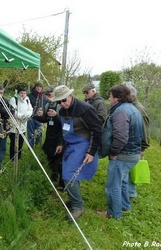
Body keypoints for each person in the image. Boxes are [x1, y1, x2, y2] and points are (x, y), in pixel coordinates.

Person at [52, 85, 102, 220]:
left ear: (70, 95)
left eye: (64, 100)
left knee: (68, 175)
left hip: (83, 144)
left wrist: (91, 152)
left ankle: (78, 207)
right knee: (69, 173)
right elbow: (64, 129)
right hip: (70, 145)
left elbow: (97, 131)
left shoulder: (85, 109)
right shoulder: (62, 110)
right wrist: (61, 143)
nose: (62, 104)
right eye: (58, 102)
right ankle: (74, 199)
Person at [97, 84, 143, 219]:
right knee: (122, 182)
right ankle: (125, 206)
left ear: (117, 98)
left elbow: (121, 137)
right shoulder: (132, 108)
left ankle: (113, 214)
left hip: (123, 155)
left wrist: (114, 152)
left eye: (110, 97)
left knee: (112, 186)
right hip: (133, 153)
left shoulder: (121, 112)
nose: (109, 99)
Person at [35, 86, 64, 188]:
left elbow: (67, 122)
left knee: (60, 160)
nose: (47, 97)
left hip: (60, 136)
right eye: (46, 95)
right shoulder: (47, 105)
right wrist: (40, 116)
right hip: (50, 135)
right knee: (50, 157)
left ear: (55, 95)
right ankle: (53, 176)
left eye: (49, 95)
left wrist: (56, 115)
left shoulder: (61, 105)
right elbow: (45, 120)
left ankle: (62, 183)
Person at [128, 85, 150, 198]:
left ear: (132, 95)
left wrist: (143, 147)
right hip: (132, 144)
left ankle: (131, 193)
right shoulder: (131, 106)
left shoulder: (139, 109)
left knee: (131, 169)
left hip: (137, 146)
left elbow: (145, 129)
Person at [8, 85, 33, 160]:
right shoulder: (14, 99)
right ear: (18, 93)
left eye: (24, 93)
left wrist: (26, 116)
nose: (23, 95)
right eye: (22, 93)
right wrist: (21, 116)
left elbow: (30, 110)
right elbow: (13, 111)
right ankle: (12, 158)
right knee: (14, 142)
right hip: (14, 124)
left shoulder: (27, 100)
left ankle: (18, 157)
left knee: (21, 142)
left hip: (23, 125)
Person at [27, 81, 47, 147]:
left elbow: (46, 106)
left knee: (39, 133)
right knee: (30, 133)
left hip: (40, 118)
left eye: (40, 87)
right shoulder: (29, 96)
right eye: (37, 87)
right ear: (35, 87)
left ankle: (38, 146)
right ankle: (30, 147)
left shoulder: (44, 96)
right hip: (31, 118)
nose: (39, 88)